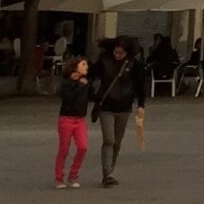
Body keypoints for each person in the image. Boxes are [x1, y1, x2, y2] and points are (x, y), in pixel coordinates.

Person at [92, 38, 147, 188]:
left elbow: (140, 85)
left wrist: (141, 105)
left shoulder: (134, 65)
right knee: (109, 139)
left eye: (120, 53)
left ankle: (111, 169)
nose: (117, 55)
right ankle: (107, 174)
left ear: (127, 52)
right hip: (106, 107)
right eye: (115, 52)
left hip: (124, 107)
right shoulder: (104, 62)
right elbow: (91, 73)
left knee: (117, 141)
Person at [54, 55, 91, 189]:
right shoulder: (66, 83)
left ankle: (73, 174)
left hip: (80, 119)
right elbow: (68, 97)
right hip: (66, 119)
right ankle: (59, 177)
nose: (86, 67)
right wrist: (80, 86)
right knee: (64, 148)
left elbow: (91, 97)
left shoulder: (85, 82)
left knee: (82, 147)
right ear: (75, 67)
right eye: (83, 64)